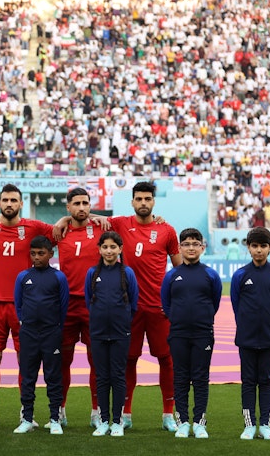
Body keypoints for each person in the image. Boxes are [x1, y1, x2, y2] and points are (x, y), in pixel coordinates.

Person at [0, 184, 54, 427]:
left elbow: (60, 232)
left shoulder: (34, 227)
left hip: (24, 305)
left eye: (13, 200)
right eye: (5, 200)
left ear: (20, 203)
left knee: (25, 360)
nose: (9, 204)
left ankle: (25, 414)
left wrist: (70, 216)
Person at [106, 181, 181, 430]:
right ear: (132, 201)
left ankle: (168, 414)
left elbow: (180, 269)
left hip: (159, 308)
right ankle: (126, 414)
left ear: (153, 201)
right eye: (139, 199)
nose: (143, 203)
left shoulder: (167, 230)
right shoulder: (120, 224)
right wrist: (63, 221)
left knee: (166, 359)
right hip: (129, 308)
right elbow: (89, 219)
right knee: (128, 360)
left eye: (147, 199)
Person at [161, 228, 222, 439]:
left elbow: (214, 303)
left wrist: (201, 320)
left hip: (203, 334)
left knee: (200, 378)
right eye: (186, 244)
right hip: (178, 334)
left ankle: (199, 423)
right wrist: (179, 320)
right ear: (179, 248)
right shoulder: (172, 276)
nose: (191, 248)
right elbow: (166, 305)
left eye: (195, 244)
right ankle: (183, 422)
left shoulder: (210, 275)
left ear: (202, 248)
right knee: (180, 378)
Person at [230, 227, 270, 440]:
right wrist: (247, 324)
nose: (259, 251)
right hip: (246, 338)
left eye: (263, 246)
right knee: (248, 381)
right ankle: (249, 425)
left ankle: (265, 424)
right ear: (248, 248)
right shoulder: (240, 275)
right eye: (254, 246)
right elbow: (236, 306)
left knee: (266, 381)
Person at [55, 187, 103, 427]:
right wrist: (62, 221)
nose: (82, 207)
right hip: (66, 306)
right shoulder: (58, 230)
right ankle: (60, 410)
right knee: (63, 360)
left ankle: (96, 411)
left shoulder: (103, 228)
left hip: (94, 304)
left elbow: (132, 221)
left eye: (85, 203)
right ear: (68, 207)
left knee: (97, 360)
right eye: (76, 204)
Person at [12, 236, 69, 435]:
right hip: (28, 333)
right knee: (28, 377)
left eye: (41, 253)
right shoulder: (23, 276)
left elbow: (63, 306)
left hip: (51, 333)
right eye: (33, 254)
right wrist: (25, 322)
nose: (36, 257)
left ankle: (54, 419)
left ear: (51, 254)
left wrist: (54, 327)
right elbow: (18, 304)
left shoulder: (58, 277)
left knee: (53, 376)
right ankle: (27, 418)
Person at [85, 231, 138, 437]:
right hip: (98, 332)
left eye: (113, 247)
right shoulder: (92, 273)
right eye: (105, 247)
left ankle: (117, 421)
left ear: (120, 249)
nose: (109, 251)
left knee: (118, 376)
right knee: (102, 376)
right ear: (99, 249)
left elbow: (133, 304)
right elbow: (89, 300)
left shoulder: (128, 273)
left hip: (120, 332)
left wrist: (120, 321)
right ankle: (103, 420)